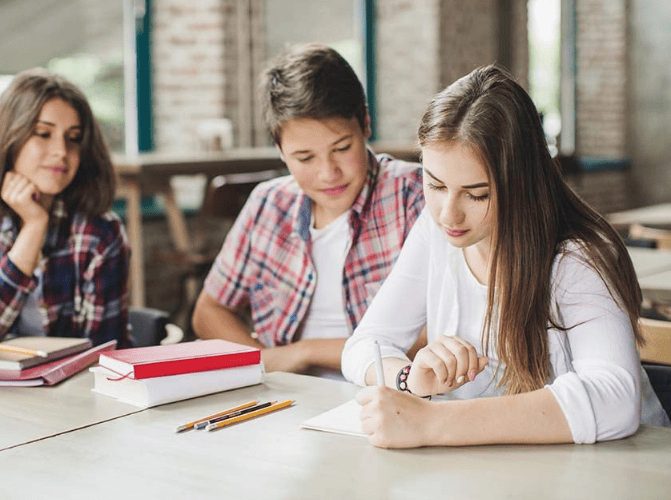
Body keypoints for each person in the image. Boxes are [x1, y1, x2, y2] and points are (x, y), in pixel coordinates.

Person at [342, 64, 670, 448]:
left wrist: (433, 422)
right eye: (434, 184)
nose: (449, 213)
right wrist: (411, 379)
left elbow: (614, 399)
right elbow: (365, 345)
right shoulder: (435, 232)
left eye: (476, 193)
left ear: (522, 183)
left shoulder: (577, 255)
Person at [192, 43, 424, 378]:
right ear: (280, 152)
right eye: (304, 158)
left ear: (366, 125)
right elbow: (208, 312)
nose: (328, 173)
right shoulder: (269, 204)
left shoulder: (413, 196)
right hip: (289, 399)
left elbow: (444, 331)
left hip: (386, 394)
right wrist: (265, 363)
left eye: (342, 148)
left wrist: (308, 351)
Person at [0, 68, 129, 346]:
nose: (61, 150)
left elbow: (105, 351)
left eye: (73, 137)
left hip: (78, 384)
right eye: (43, 133)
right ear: (9, 138)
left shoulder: (101, 231)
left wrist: (36, 222)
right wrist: (33, 227)